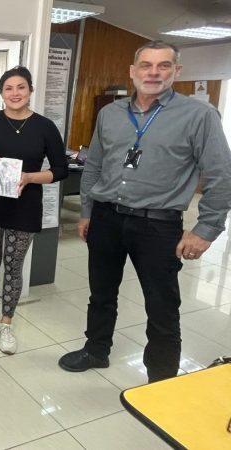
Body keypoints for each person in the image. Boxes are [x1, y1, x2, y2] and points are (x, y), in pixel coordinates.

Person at [58, 41, 231, 382]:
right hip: (107, 217)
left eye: (163, 65)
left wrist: (206, 229)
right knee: (101, 292)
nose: (153, 73)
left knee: (162, 306)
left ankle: (160, 380)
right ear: (133, 72)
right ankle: (96, 349)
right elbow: (94, 167)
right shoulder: (111, 113)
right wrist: (87, 212)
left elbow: (221, 173)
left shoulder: (198, 115)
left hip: (158, 225)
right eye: (146, 66)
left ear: (176, 71)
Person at [0, 66, 67, 354]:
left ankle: (7, 323)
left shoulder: (45, 127)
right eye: (9, 88)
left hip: (24, 206)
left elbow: (61, 169)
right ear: (1, 93)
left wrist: (30, 177)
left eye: (21, 87)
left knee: (12, 267)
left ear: (30, 90)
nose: (15, 93)